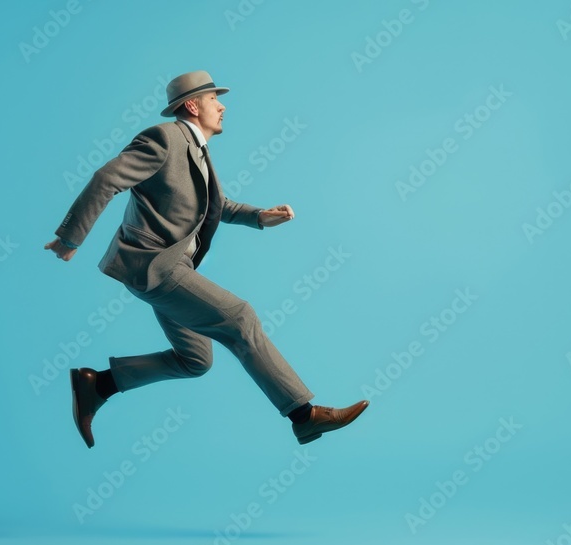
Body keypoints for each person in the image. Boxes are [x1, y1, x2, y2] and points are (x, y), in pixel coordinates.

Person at [45, 71, 368, 448]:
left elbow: (218, 206)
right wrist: (71, 237)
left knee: (195, 359)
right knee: (241, 318)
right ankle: (304, 416)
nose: (223, 106)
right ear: (193, 105)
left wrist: (259, 216)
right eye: (215, 99)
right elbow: (107, 178)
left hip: (173, 269)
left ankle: (98, 384)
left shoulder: (198, 151)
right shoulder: (164, 138)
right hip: (154, 265)